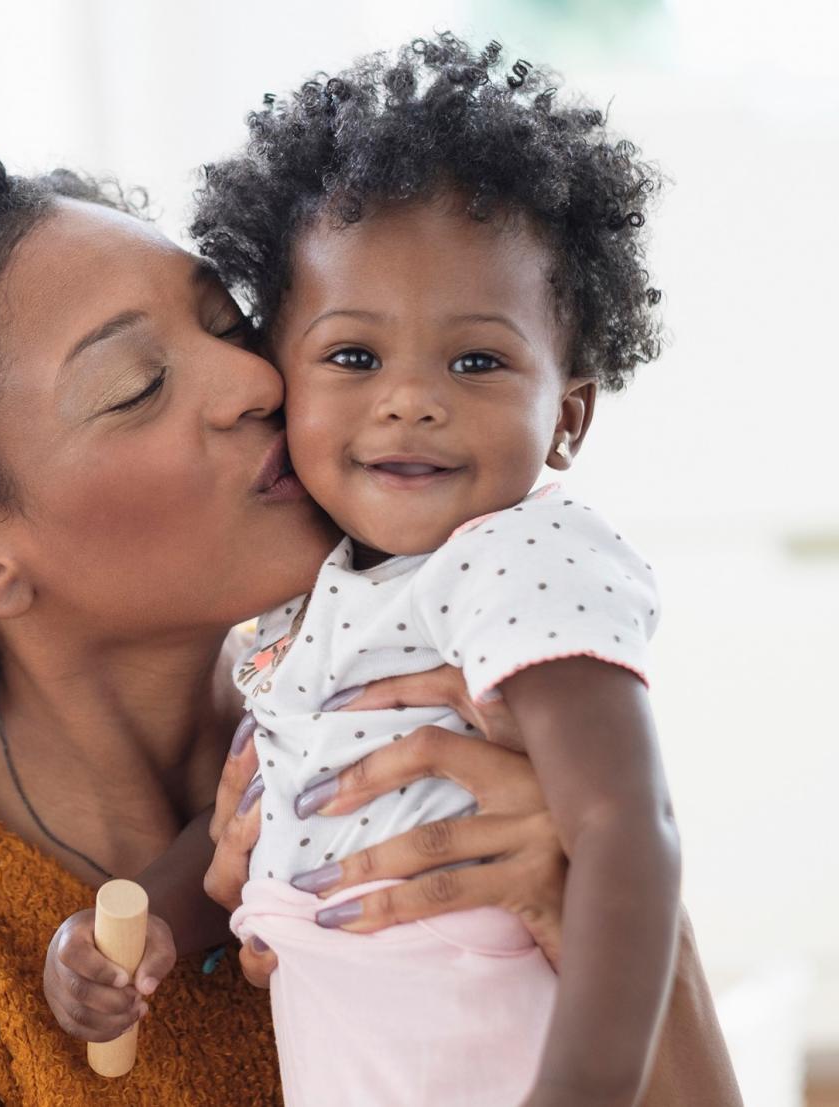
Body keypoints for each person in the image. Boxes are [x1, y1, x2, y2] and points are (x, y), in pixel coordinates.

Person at [0, 150, 739, 1107]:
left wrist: (588, 911)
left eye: (234, 326)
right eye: (138, 386)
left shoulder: (442, 722)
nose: (258, 382)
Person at [190, 31, 681, 1106]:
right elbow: (261, 800)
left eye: (477, 361)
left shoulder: (519, 553)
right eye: (355, 357)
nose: (410, 399)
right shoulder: (305, 590)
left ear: (569, 418)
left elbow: (624, 832)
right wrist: (123, 925)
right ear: (282, 379)